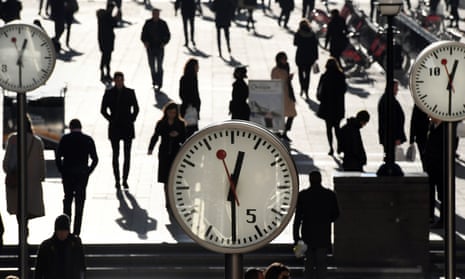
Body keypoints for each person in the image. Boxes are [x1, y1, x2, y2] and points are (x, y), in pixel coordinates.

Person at [55, 119, 99, 236]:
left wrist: (62, 171)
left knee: (68, 200)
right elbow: (95, 159)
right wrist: (88, 171)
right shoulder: (87, 140)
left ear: (70, 127)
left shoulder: (65, 139)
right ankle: (77, 231)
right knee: (80, 202)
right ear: (81, 127)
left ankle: (66, 228)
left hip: (68, 174)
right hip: (82, 175)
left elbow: (58, 157)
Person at [293, 171, 339, 279]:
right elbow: (336, 214)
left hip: (307, 236)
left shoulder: (303, 195)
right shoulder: (329, 195)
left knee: (308, 265)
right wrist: (326, 220)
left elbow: (298, 218)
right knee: (322, 265)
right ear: (321, 180)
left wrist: (296, 238)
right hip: (323, 235)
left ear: (309, 180)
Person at [3, 116, 46, 225]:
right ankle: (24, 231)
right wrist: (40, 177)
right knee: (28, 209)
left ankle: (23, 232)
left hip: (16, 184)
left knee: (19, 210)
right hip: (32, 184)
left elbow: (6, 164)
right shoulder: (37, 142)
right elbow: (42, 167)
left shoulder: (13, 140)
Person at [100, 71, 139, 189]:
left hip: (127, 127)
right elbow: (103, 109)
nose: (119, 82)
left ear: (123, 80)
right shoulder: (109, 93)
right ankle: (117, 179)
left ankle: (125, 179)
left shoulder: (130, 92)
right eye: (117, 80)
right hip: (115, 127)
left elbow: (136, 108)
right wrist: (110, 119)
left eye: (120, 80)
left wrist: (132, 119)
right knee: (115, 155)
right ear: (114, 81)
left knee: (127, 155)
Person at [148, 102, 186, 210]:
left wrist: (177, 135)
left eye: (174, 113)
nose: (172, 115)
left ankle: (174, 199)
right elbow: (155, 136)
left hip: (175, 153)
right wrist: (151, 148)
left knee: (174, 177)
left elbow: (184, 138)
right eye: (170, 112)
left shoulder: (180, 124)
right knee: (165, 179)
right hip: (164, 153)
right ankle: (168, 201)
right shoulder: (161, 123)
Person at [35, 214, 86, 279]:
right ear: (56, 231)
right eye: (60, 231)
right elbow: (39, 271)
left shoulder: (76, 244)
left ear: (68, 231)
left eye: (64, 231)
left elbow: (82, 266)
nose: (62, 233)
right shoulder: (46, 246)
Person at [316, 57, 347, 155]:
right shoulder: (341, 76)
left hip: (327, 106)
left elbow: (319, 91)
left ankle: (331, 148)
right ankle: (339, 147)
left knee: (329, 129)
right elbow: (344, 90)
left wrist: (321, 99)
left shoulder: (324, 76)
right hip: (338, 106)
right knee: (337, 128)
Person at [141, 8, 171, 91]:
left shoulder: (163, 23)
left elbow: (168, 35)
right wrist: (145, 42)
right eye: (154, 14)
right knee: (152, 66)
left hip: (159, 48)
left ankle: (159, 83)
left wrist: (164, 43)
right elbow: (143, 35)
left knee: (159, 66)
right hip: (150, 48)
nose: (156, 15)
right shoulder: (148, 23)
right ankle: (154, 81)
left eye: (157, 14)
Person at [425, 117, 446, 227]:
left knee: (443, 195)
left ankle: (444, 220)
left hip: (441, 166)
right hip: (431, 166)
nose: (429, 117)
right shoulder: (432, 125)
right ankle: (430, 216)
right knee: (430, 192)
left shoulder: (446, 128)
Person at [377, 79, 406, 159]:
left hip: (390, 135)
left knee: (390, 155)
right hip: (391, 136)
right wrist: (397, 137)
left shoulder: (389, 99)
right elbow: (392, 121)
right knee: (389, 155)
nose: (397, 90)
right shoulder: (388, 100)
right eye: (396, 87)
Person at [271, 51, 297, 142]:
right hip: (280, 94)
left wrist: (289, 79)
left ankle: (285, 132)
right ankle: (277, 132)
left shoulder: (286, 67)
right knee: (280, 114)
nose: (285, 60)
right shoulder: (276, 70)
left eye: (286, 58)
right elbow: (275, 82)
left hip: (288, 94)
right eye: (283, 58)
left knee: (292, 114)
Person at [294, 19, 318, 100]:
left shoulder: (298, 34)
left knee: (300, 73)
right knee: (308, 74)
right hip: (309, 57)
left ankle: (302, 88)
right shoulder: (312, 34)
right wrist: (316, 57)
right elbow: (315, 46)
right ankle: (306, 90)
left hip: (300, 56)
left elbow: (295, 43)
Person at [97, 1, 120, 83]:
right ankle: (105, 74)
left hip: (103, 40)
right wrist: (117, 17)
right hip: (107, 41)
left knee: (105, 57)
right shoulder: (107, 17)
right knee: (107, 58)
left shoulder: (102, 16)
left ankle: (104, 73)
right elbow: (114, 24)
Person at [179, 58, 201, 138]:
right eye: (197, 66)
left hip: (189, 107)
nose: (198, 68)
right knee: (191, 131)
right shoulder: (192, 78)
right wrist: (193, 103)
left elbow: (181, 94)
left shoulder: (184, 78)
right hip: (191, 107)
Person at [409, 104, 429, 170]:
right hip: (423, 135)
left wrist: (411, 138)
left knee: (424, 158)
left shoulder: (419, 104)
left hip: (421, 135)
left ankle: (426, 171)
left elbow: (413, 120)